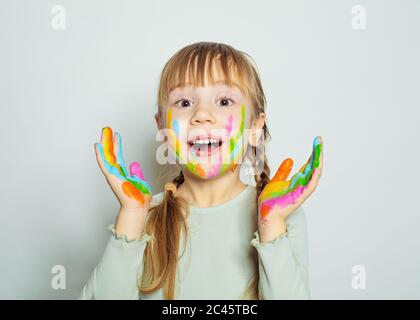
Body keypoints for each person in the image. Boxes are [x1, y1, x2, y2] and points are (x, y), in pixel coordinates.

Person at [79, 41, 323, 300]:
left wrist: (270, 224)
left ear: (255, 127)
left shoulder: (282, 216)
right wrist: (131, 214)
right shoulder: (145, 217)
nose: (202, 114)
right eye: (184, 102)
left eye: (224, 100)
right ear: (162, 129)